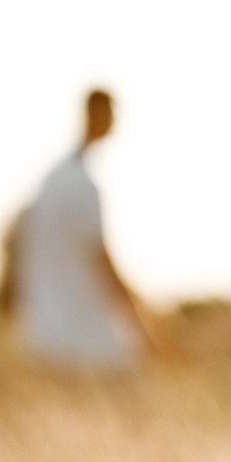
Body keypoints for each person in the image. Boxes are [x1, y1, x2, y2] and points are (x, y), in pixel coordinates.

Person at [15, 88, 153, 372]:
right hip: (87, 345)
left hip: (45, 334)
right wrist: (144, 326)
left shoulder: (51, 179)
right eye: (111, 113)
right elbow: (101, 261)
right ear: (96, 114)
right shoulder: (83, 185)